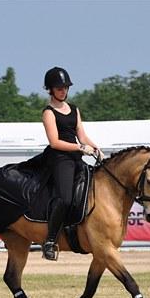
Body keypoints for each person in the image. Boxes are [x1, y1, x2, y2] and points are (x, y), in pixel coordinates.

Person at [41, 66, 102, 261]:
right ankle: (50, 241)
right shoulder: (49, 112)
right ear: (50, 89)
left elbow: (81, 135)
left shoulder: (74, 109)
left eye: (65, 87)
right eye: (59, 88)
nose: (63, 91)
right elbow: (55, 142)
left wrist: (96, 148)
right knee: (65, 198)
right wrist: (79, 149)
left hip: (76, 156)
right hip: (60, 158)